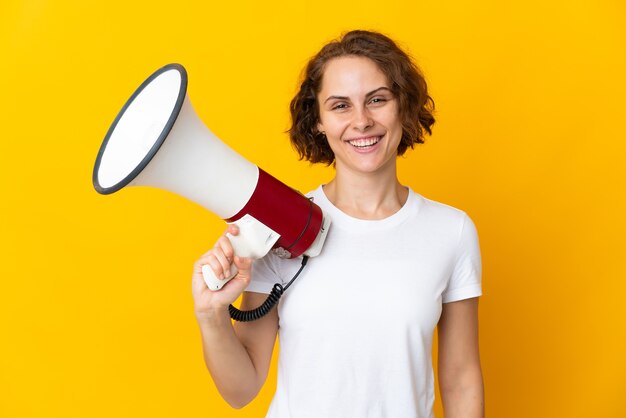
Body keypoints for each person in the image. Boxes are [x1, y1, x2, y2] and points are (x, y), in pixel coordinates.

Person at [191, 30, 484, 418]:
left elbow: (461, 378)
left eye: (377, 100)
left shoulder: (452, 231)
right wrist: (211, 316)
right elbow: (241, 391)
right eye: (340, 106)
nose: (362, 121)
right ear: (318, 122)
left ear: (403, 107)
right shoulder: (283, 227)